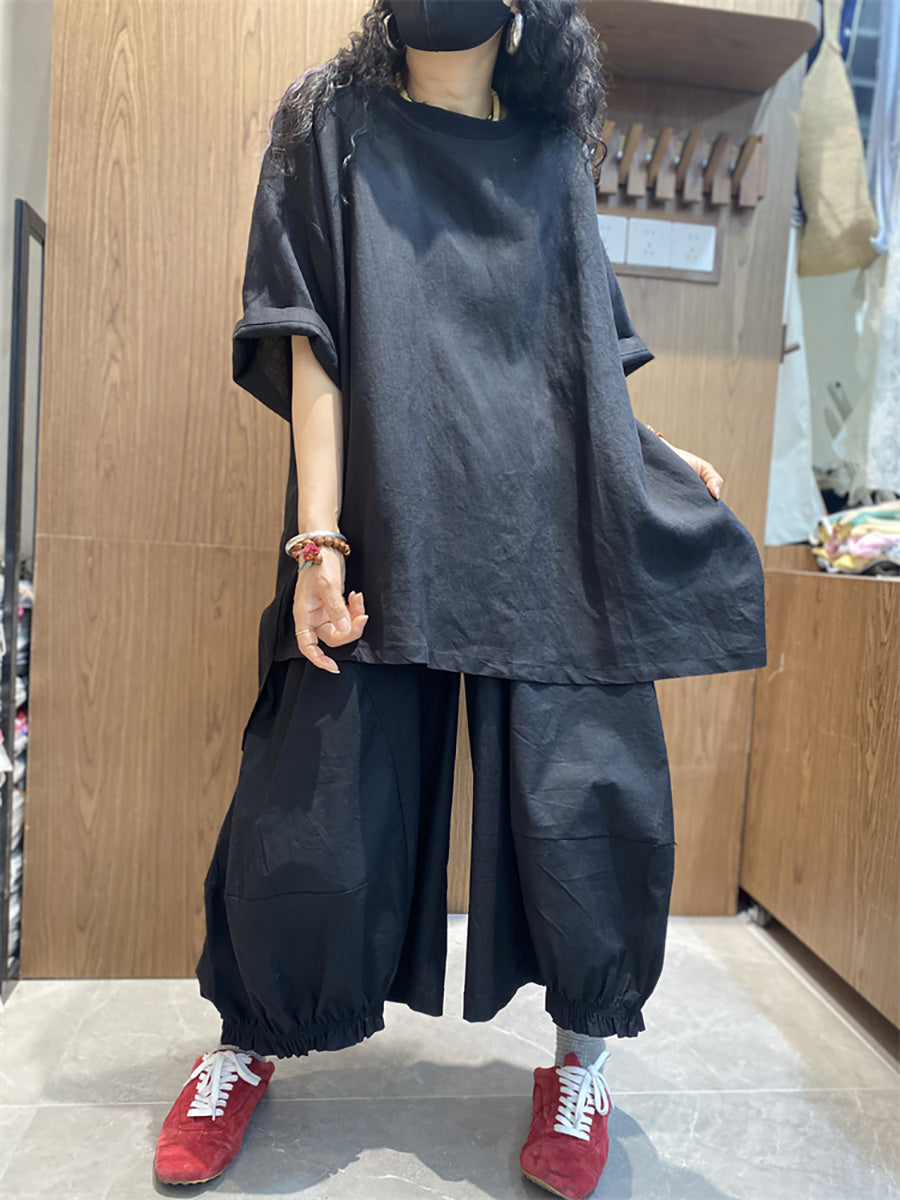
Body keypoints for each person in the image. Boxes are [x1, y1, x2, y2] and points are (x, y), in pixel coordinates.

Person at [153, 1, 767, 1196]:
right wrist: (320, 540)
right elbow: (311, 337)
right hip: (384, 509)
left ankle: (581, 1060)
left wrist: (643, 451)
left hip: (545, 517)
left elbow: (569, 352)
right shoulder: (327, 122)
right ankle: (247, 1040)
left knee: (586, 784)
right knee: (310, 792)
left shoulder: (551, 150)